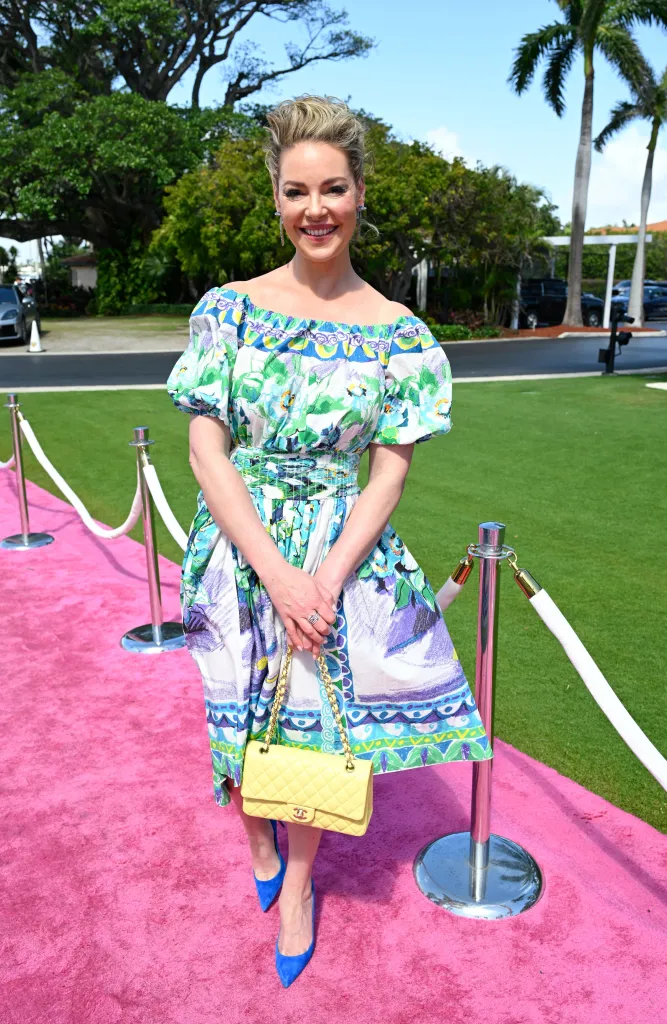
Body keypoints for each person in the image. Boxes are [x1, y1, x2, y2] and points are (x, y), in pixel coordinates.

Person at [167, 95, 493, 987]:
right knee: (236, 708)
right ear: (276, 198)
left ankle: (300, 888)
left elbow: (387, 473)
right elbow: (205, 449)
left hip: (338, 554)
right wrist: (275, 573)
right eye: (296, 191)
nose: (315, 209)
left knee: (313, 728)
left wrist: (322, 577)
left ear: (358, 194)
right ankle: (255, 837)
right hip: (238, 549)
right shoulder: (229, 311)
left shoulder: (398, 333)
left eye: (333, 189)